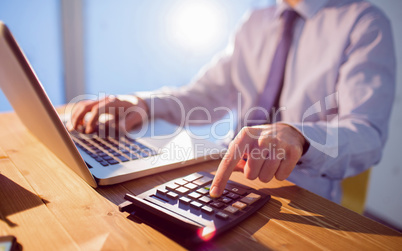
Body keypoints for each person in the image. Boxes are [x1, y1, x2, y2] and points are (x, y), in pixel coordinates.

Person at [69, 0, 396, 203]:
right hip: (224, 178)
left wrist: (299, 135)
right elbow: (206, 96)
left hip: (301, 194)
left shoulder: (364, 22)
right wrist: (143, 102)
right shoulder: (255, 22)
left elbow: (366, 134)